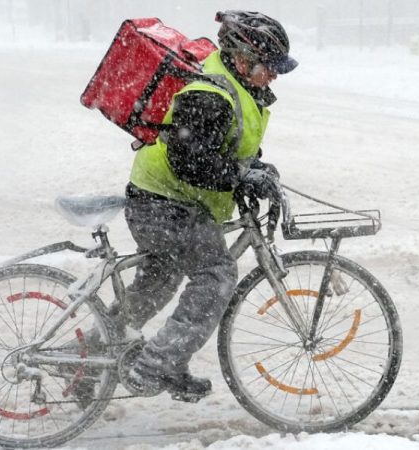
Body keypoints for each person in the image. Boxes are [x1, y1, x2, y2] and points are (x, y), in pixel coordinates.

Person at [112, 10, 298, 401]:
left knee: (159, 280)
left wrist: (255, 169)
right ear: (245, 58)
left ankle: (89, 356)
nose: (275, 76)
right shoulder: (210, 93)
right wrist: (240, 177)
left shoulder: (235, 86)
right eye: (271, 67)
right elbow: (189, 159)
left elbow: (224, 145)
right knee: (216, 274)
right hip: (164, 203)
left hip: (164, 200)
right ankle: (155, 366)